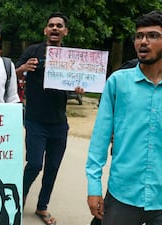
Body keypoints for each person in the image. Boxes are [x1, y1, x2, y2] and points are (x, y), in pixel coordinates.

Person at [86, 10, 162, 225]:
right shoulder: (118, 82)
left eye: (153, 36)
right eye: (139, 36)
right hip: (123, 194)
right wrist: (94, 187)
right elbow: (99, 139)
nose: (143, 42)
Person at [15, 12, 84, 225]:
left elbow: (78, 83)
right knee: (34, 164)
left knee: (52, 167)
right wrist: (24, 68)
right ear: (45, 30)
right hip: (35, 120)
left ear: (65, 31)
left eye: (59, 26)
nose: (55, 28)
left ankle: (42, 207)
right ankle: (18, 200)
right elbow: (12, 74)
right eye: (51, 25)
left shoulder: (71, 57)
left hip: (59, 124)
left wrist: (80, 90)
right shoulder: (32, 51)